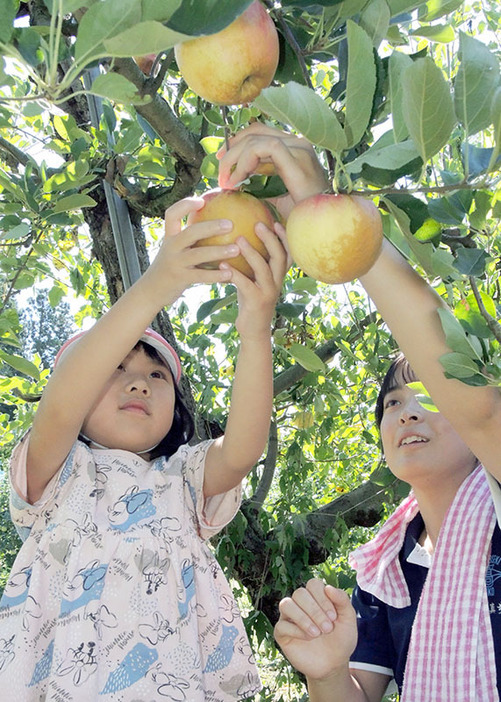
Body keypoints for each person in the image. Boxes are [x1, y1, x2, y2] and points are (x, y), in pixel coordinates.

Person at [218, 123, 501, 701]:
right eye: (393, 403)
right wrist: (326, 673)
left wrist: (332, 209)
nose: (408, 413)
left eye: (429, 396)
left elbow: (481, 409)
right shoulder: (386, 570)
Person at [0, 195, 288, 701]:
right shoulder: (59, 473)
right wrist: (160, 282)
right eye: (118, 369)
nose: (140, 384)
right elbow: (62, 404)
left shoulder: (182, 478)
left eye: (158, 376)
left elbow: (242, 449)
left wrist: (256, 328)